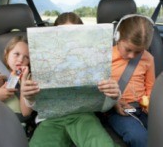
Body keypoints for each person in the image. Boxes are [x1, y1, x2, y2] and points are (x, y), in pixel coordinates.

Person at [20, 12, 121, 147]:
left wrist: (114, 96)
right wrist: (30, 98)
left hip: (85, 116)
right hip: (50, 120)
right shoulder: (41, 65)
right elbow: (32, 109)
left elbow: (103, 106)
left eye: (74, 36)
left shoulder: (96, 64)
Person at [107, 14, 155, 147]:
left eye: (138, 52)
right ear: (117, 37)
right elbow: (100, 89)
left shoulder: (148, 59)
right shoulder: (106, 57)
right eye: (128, 49)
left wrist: (151, 106)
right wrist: (114, 102)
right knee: (139, 138)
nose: (131, 56)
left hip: (142, 108)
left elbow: (150, 88)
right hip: (116, 109)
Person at [0, 35, 29, 114]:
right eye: (17, 54)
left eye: (26, 57)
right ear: (6, 54)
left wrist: (24, 80)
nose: (21, 60)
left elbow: (25, 113)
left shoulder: (28, 79)